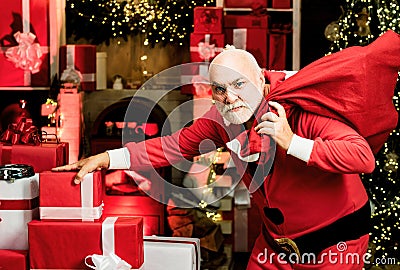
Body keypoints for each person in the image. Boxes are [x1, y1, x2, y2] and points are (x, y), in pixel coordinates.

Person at [54, 30, 400, 269]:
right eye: (219, 89)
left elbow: (362, 158)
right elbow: (175, 146)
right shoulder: (223, 118)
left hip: (335, 244)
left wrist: (292, 142)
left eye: (239, 85)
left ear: (261, 83)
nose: (229, 97)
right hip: (276, 244)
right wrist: (107, 157)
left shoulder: (301, 110)